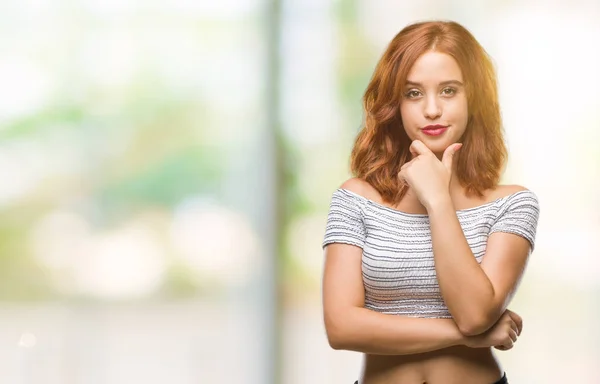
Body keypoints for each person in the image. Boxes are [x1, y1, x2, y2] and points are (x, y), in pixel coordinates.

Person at [321, 20, 540, 384]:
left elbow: (474, 314)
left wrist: (437, 199)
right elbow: (341, 327)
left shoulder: (513, 204)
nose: (433, 110)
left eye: (449, 90)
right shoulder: (356, 198)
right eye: (413, 93)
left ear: (475, 98)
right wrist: (465, 337)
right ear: (395, 104)